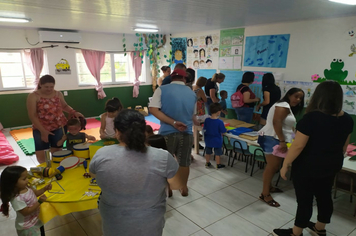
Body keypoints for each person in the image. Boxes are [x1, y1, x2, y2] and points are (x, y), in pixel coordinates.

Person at [273, 81, 353, 236]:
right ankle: (319, 228)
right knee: (324, 196)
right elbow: (344, 147)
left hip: (308, 166)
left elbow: (298, 146)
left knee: (305, 200)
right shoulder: (348, 119)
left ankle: (295, 233)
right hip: (332, 164)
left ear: (318, 96)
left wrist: (285, 165)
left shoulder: (311, 118)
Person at [89, 109, 182, 236]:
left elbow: (94, 174)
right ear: (145, 131)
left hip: (113, 220)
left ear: (117, 132)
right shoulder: (163, 157)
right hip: (148, 221)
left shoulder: (102, 154)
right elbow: (176, 185)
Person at [149, 68, 198, 197]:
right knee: (184, 162)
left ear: (171, 78)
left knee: (165, 162)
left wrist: (173, 123)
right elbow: (193, 115)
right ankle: (183, 187)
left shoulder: (162, 89)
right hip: (187, 132)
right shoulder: (192, 93)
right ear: (184, 79)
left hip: (167, 132)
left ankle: (168, 188)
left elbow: (153, 109)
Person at [258, 88, 304, 208]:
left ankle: (269, 187)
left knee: (274, 167)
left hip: (274, 138)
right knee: (271, 167)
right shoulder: (283, 105)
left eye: (300, 98)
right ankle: (265, 194)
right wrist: (282, 141)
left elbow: (285, 125)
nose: (298, 100)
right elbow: (276, 122)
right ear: (288, 95)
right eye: (296, 96)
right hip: (273, 138)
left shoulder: (285, 106)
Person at [27, 75, 84, 163]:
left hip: (59, 126)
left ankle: (56, 169)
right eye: (46, 87)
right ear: (40, 85)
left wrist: (73, 111)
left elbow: (64, 106)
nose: (49, 89)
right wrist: (43, 131)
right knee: (41, 152)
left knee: (57, 150)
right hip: (40, 127)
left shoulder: (58, 94)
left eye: (51, 86)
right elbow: (32, 115)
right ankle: (46, 171)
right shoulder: (33, 96)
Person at [0, 166, 52, 236]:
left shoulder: (26, 187)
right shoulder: (17, 199)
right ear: (13, 183)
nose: (27, 180)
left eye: (27, 177)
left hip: (34, 220)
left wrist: (44, 189)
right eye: (24, 179)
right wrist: (39, 202)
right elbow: (26, 212)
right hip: (27, 228)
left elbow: (35, 193)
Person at [204, 103, 227, 169]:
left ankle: (207, 163)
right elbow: (223, 130)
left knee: (208, 151)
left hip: (208, 139)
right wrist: (226, 130)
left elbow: (204, 129)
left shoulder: (207, 120)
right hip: (217, 140)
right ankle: (218, 164)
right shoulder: (219, 122)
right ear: (218, 112)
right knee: (217, 153)